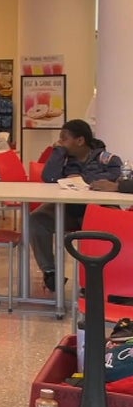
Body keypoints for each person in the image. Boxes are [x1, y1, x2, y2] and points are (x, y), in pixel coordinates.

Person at [32, 119, 122, 290]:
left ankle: (95, 281)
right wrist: (58, 151)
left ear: (80, 140)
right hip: (69, 209)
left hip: (97, 210)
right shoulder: (64, 158)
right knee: (36, 219)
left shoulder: (106, 159)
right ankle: (50, 272)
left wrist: (83, 180)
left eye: (64, 139)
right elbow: (49, 178)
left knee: (98, 231)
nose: (60, 142)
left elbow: (116, 176)